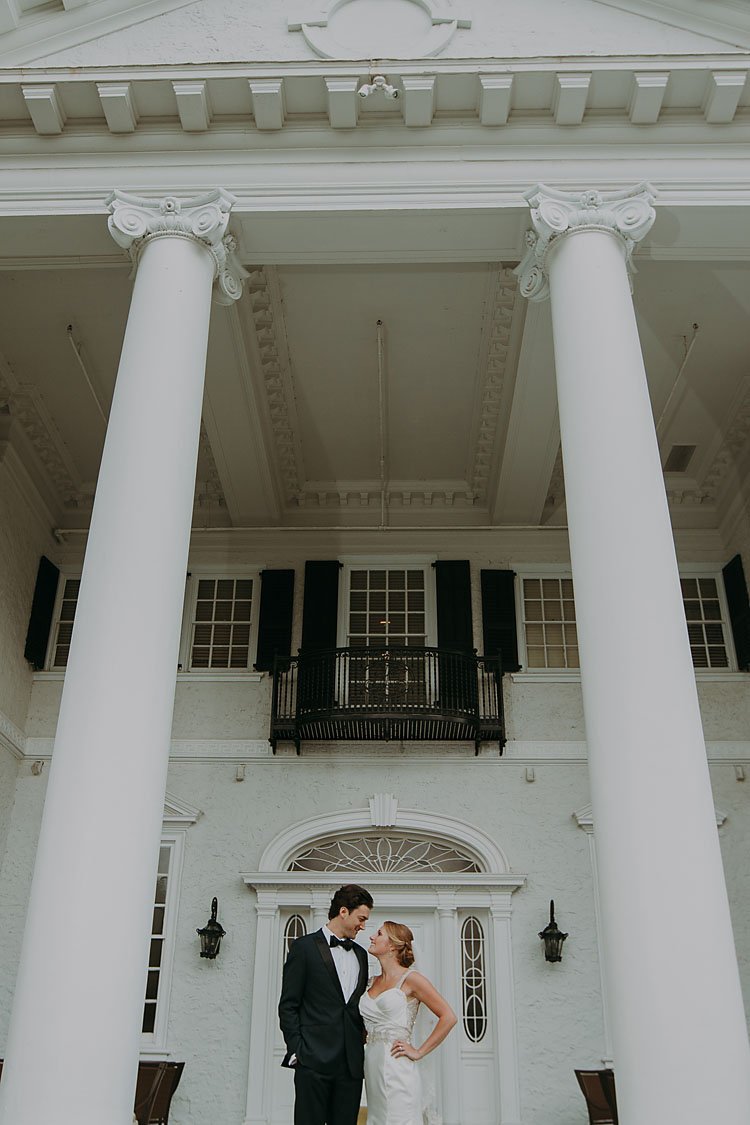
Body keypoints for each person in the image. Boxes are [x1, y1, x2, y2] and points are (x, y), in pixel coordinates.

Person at [279, 883, 373, 1125]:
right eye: (361, 919)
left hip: (350, 1066)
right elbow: (288, 1005)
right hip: (312, 1061)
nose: (363, 926)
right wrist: (298, 1051)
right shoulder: (303, 948)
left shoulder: (361, 955)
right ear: (343, 911)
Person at [360, 921, 457, 1125]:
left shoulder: (412, 979)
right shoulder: (370, 981)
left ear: (392, 945)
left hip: (398, 1066)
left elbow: (448, 1017)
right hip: (372, 1066)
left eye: (379, 934)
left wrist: (419, 1052)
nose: (372, 937)